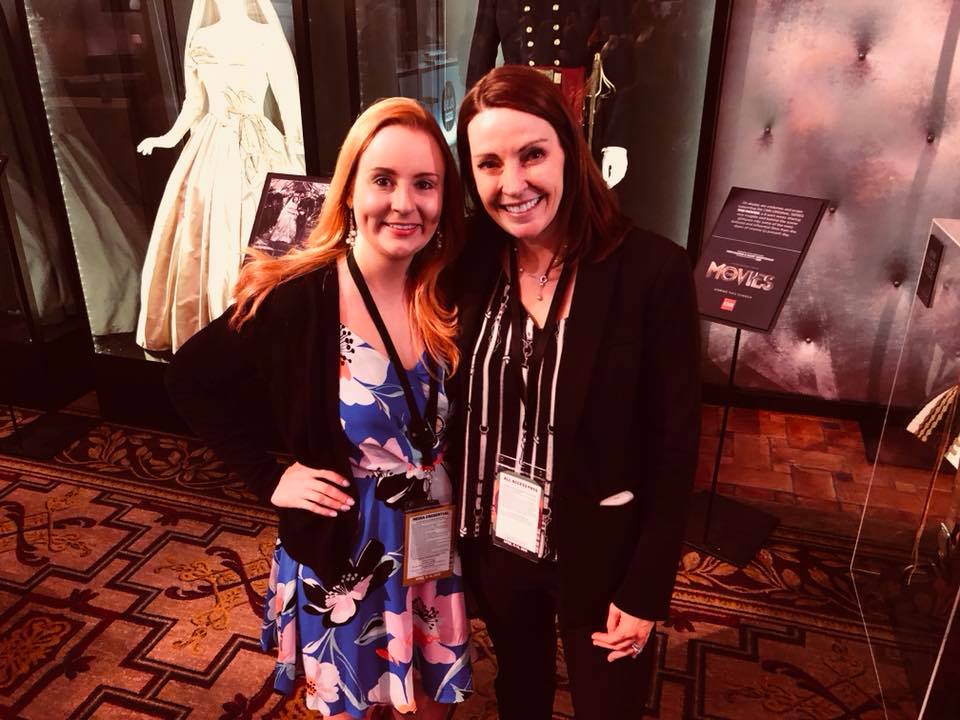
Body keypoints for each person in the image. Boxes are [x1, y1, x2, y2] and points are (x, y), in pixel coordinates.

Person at [167, 97, 471, 719]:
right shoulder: (299, 296)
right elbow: (191, 378)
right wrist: (269, 477)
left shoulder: (447, 287)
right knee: (354, 702)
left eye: (424, 183)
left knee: (430, 697)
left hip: (429, 535)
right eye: (383, 180)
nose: (404, 203)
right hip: (345, 543)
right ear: (349, 190)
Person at [450, 64, 701, 719]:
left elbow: (675, 447)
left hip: (603, 551)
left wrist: (647, 587)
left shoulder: (651, 270)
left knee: (608, 707)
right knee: (519, 691)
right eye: (489, 163)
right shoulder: (469, 263)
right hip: (499, 543)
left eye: (532, 154)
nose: (512, 183)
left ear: (568, 149)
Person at [136, 0, 305, 353]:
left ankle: (266, 324)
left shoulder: (265, 37)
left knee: (267, 230)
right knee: (204, 227)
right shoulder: (202, 39)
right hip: (211, 146)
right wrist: (167, 138)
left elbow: (289, 102)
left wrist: (297, 158)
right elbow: (194, 103)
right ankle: (213, 326)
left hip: (260, 145)